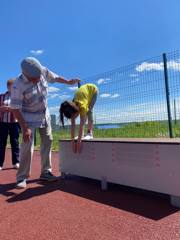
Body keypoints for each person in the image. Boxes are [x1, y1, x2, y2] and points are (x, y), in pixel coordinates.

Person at [11, 57, 80, 188]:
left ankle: (45, 172)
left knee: (48, 140)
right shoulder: (17, 85)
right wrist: (24, 128)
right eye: (34, 78)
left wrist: (68, 82)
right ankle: (22, 177)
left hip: (44, 114)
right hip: (28, 117)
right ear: (25, 74)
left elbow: (55, 78)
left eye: (39, 77)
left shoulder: (42, 71)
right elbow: (15, 108)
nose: (38, 80)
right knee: (27, 145)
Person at [60, 83, 98, 153]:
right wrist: (72, 143)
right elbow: (72, 126)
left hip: (93, 90)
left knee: (89, 111)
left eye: (74, 117)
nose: (74, 119)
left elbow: (82, 125)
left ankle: (90, 133)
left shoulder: (82, 107)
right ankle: (83, 134)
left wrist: (78, 142)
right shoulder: (71, 108)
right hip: (83, 93)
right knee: (84, 115)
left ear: (77, 111)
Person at [0, 79, 20, 170]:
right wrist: (1, 108)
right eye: (9, 86)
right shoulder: (1, 96)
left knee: (15, 142)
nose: (11, 87)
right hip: (2, 122)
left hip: (14, 123)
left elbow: (20, 108)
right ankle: (0, 164)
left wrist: (11, 109)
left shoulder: (18, 97)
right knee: (1, 143)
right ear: (7, 86)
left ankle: (16, 162)